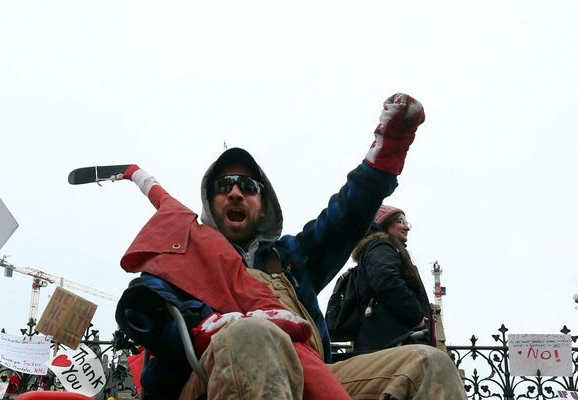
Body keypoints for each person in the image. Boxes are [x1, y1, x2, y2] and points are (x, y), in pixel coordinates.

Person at [113, 93, 466, 399]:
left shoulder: (293, 258)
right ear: (210, 202)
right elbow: (148, 312)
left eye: (248, 186)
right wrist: (202, 325)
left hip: (311, 379)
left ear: (263, 205)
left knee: (427, 364)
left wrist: (389, 151)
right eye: (224, 185)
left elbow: (346, 215)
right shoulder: (182, 260)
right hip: (206, 379)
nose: (236, 192)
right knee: (251, 336)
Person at [350, 205, 437, 353]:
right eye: (400, 221)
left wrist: (425, 314)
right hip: (395, 342)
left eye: (406, 222)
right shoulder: (381, 246)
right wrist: (415, 316)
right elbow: (386, 281)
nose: (406, 227)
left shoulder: (383, 249)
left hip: (392, 341)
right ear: (384, 223)